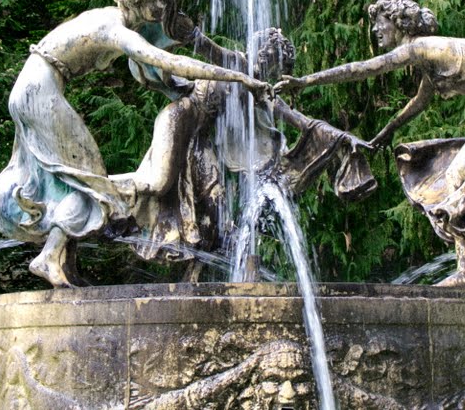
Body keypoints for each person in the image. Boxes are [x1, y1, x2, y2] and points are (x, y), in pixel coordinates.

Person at [0, 0, 270, 288]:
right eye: (157, 4)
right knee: (92, 183)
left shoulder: (108, 17)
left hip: (31, 88)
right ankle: (49, 257)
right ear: (139, 2)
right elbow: (167, 60)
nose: (161, 11)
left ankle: (62, 259)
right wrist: (237, 78)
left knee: (82, 180)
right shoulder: (114, 28)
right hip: (40, 92)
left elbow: (163, 66)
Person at [276, 0, 465, 284]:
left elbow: (366, 68)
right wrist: (383, 135)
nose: (375, 30)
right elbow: (417, 103)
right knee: (456, 178)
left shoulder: (422, 46)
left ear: (399, 23)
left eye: (380, 23)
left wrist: (306, 81)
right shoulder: (429, 59)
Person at [114, 26, 374, 272]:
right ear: (262, 53)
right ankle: (102, 194)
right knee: (159, 183)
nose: (271, 72)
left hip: (199, 142)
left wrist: (344, 138)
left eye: (276, 68)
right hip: (179, 120)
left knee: (215, 208)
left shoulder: (261, 91)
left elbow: (302, 121)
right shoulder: (237, 64)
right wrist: (185, 29)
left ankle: (197, 274)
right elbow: (206, 47)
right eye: (272, 63)